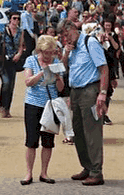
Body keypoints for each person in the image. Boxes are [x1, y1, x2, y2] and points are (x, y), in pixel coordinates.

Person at [62, 21, 108, 185]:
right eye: (63, 37)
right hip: (75, 91)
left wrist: (102, 93)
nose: (66, 39)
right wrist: (66, 52)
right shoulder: (71, 47)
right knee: (78, 131)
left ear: (74, 30)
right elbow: (63, 67)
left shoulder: (90, 43)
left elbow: (103, 68)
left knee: (92, 132)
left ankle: (96, 171)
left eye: (67, 35)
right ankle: (87, 166)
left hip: (90, 90)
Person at [20, 35, 66, 185]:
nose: (48, 56)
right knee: (31, 140)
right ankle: (28, 173)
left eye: (51, 52)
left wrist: (58, 76)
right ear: (40, 50)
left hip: (50, 104)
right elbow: (28, 82)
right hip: (33, 104)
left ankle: (44, 172)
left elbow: (61, 88)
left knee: (48, 141)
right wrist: (42, 72)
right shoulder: (31, 60)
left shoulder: (57, 62)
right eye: (46, 52)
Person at [0, 11, 24, 118]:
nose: (16, 21)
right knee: (6, 83)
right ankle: (2, 106)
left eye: (18, 19)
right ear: (10, 19)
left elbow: (21, 45)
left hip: (13, 61)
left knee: (11, 85)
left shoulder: (21, 31)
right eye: (14, 18)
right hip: (2, 61)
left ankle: (7, 108)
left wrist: (19, 54)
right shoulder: (3, 30)